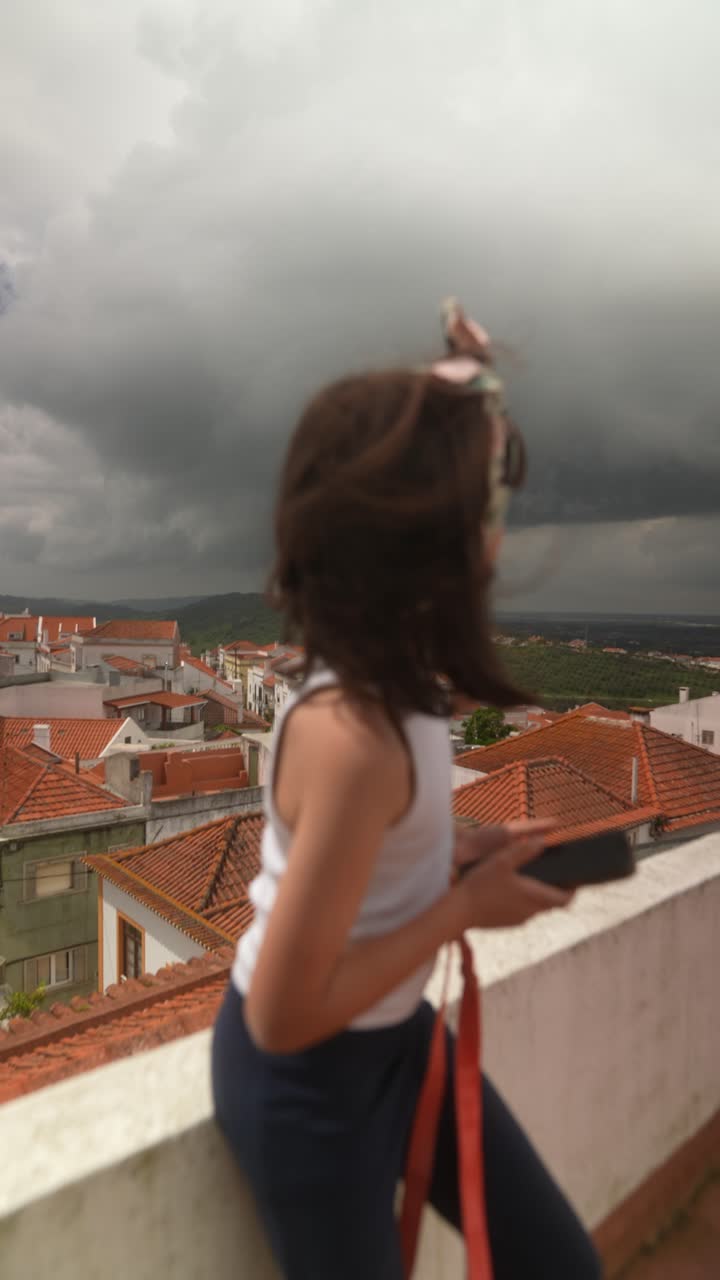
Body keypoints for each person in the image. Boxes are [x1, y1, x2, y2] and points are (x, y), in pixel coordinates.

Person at [212, 303, 603, 1280]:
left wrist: (452, 851)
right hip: (308, 1078)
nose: (496, 530)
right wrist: (464, 905)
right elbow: (285, 1013)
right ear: (424, 539)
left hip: (390, 1033)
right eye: (484, 504)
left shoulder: (400, 684)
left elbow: (364, 853)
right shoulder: (356, 734)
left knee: (561, 1263)